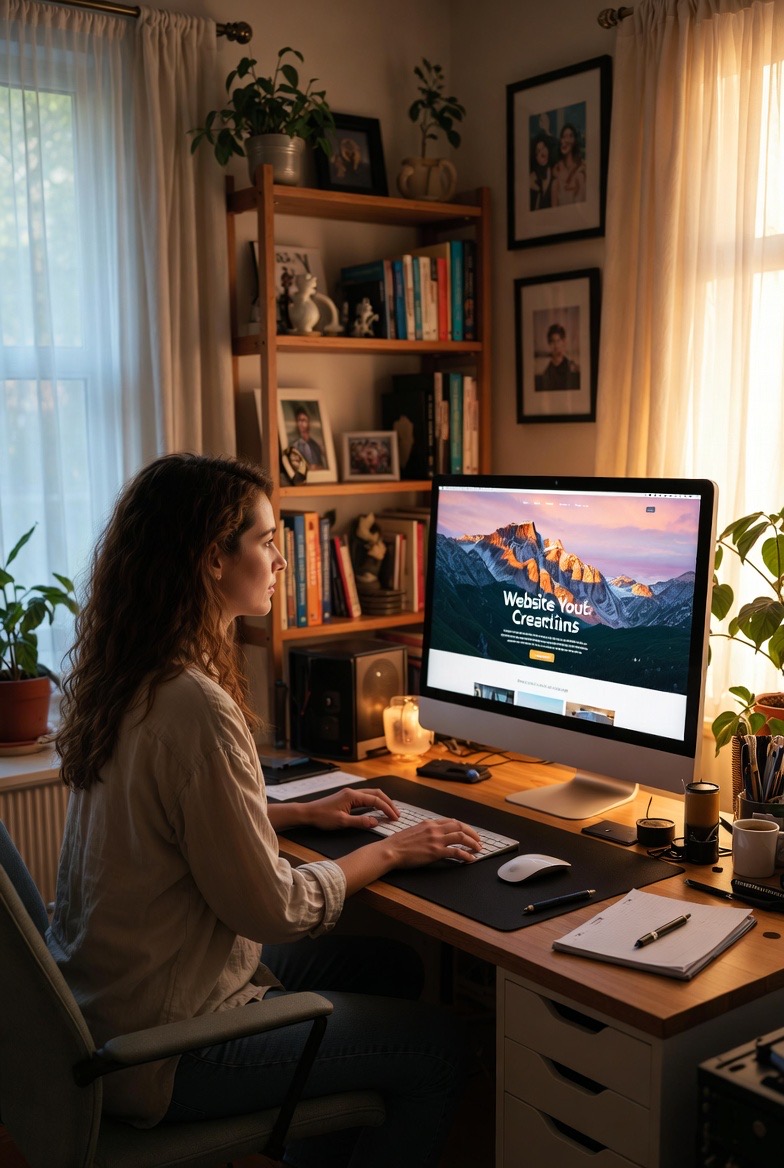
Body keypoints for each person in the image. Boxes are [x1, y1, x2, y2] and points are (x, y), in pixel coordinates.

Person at [50, 453, 480, 1168]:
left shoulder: (131, 675)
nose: (281, 559)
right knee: (442, 1050)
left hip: (115, 1005)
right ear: (211, 559)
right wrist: (393, 850)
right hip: (169, 1047)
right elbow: (275, 910)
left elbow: (162, 823)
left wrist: (297, 815)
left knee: (390, 968)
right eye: (267, 540)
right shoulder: (195, 706)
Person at [535, 322, 580, 391]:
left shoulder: (572, 368)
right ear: (549, 344)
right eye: (552, 341)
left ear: (564, 342)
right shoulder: (546, 373)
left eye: (558, 341)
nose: (556, 346)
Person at [550, 122, 587, 207]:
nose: (566, 140)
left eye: (570, 136)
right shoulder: (557, 172)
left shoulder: (582, 168)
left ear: (575, 141)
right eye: (564, 136)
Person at [292, 404, 326, 469]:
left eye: (303, 420)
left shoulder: (315, 446)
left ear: (308, 422)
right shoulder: (295, 445)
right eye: (299, 420)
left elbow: (322, 467)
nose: (301, 423)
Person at [529, 132, 553, 211]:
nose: (542, 153)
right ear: (535, 157)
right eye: (538, 152)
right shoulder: (532, 178)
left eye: (543, 148)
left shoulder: (554, 170)